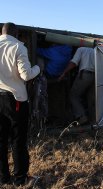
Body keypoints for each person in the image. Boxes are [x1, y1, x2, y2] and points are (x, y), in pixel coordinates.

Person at [0, 23, 41, 186]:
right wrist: (38, 68)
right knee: (18, 140)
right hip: (15, 100)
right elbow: (26, 75)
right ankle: (20, 178)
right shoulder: (18, 47)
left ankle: (3, 178)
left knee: (0, 140)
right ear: (15, 33)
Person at [59, 47, 95, 124]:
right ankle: (93, 119)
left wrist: (64, 73)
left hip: (85, 74)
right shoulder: (95, 50)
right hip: (95, 76)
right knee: (90, 98)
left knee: (73, 96)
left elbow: (74, 62)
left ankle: (82, 116)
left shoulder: (80, 49)